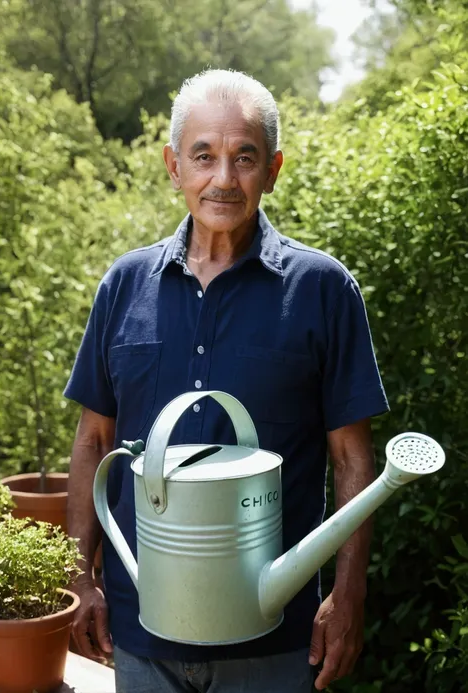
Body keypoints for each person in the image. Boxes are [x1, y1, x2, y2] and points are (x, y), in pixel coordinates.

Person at [65, 69, 389, 693]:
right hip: (141, 633)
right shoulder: (124, 286)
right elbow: (92, 442)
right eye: (204, 156)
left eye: (245, 158)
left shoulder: (322, 290)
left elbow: (351, 456)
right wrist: (81, 575)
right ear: (173, 165)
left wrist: (348, 593)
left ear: (274, 169)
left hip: (273, 636)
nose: (223, 179)